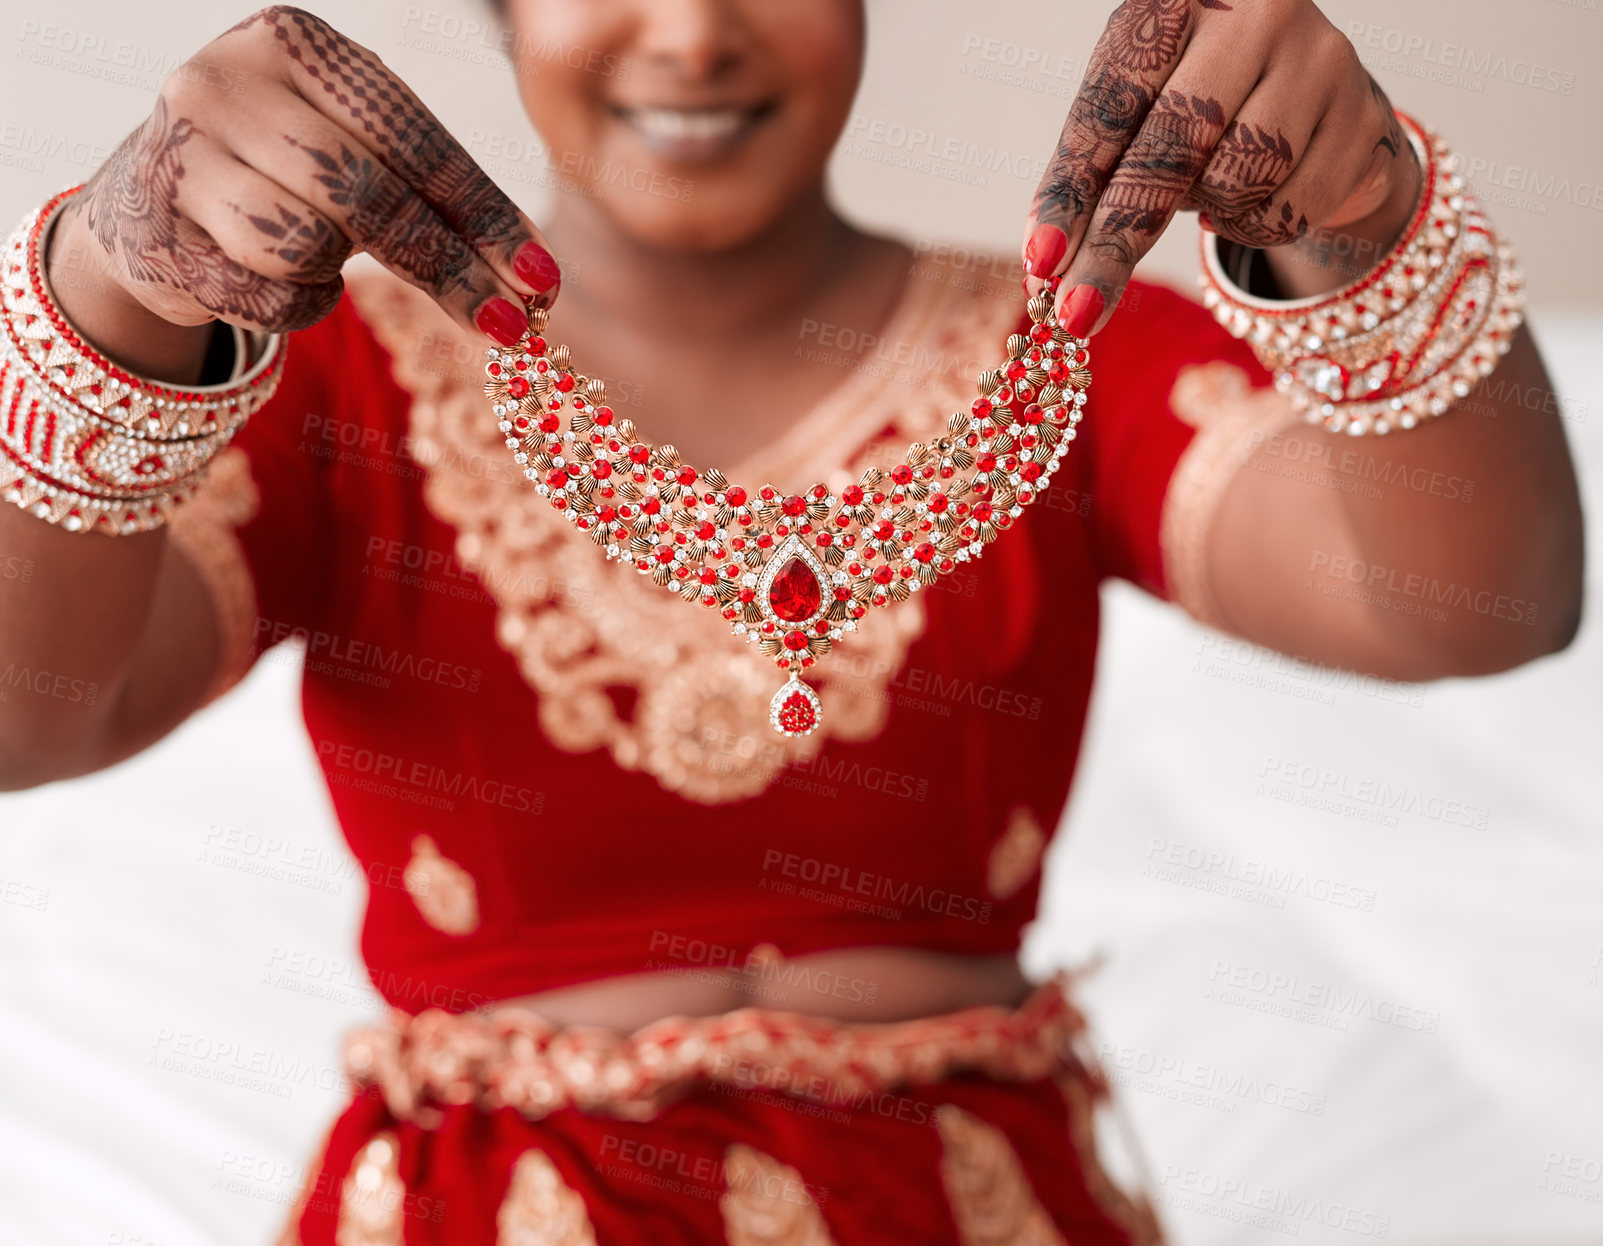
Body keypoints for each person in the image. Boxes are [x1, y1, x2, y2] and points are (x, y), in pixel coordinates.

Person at [0, 1, 1583, 1242]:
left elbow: (1479, 605)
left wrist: (1359, 205)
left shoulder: (1065, 361)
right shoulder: (342, 395)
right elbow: (34, 716)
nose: (692, 31)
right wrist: (114, 289)